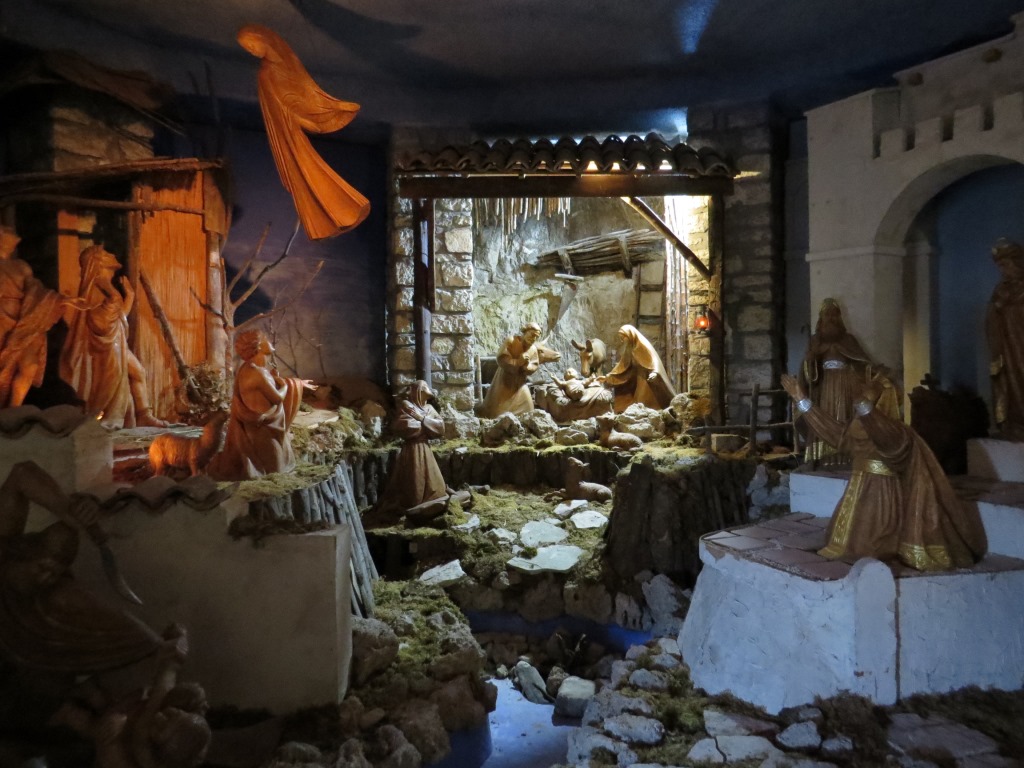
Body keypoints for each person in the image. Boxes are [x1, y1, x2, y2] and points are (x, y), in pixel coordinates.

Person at [781, 373, 987, 571]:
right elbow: (833, 432)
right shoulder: (857, 431)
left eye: (868, 397)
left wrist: (866, 404)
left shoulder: (898, 433)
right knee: (847, 543)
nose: (858, 401)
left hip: (881, 498)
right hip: (858, 493)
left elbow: (881, 431)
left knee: (869, 545)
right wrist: (802, 400)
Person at [237, 24, 370, 241]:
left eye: (252, 45)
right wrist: (299, 120)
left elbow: (302, 96)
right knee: (303, 172)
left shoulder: (284, 67)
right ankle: (325, 220)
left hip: (292, 129)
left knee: (309, 171)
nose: (252, 51)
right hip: (285, 131)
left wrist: (329, 110)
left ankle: (341, 212)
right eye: (248, 49)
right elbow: (276, 107)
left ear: (263, 40)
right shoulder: (265, 73)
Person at [59, 244, 167, 428]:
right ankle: (105, 418)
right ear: (97, 263)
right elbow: (101, 324)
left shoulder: (105, 287)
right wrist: (115, 295)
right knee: (111, 384)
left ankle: (144, 414)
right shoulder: (96, 288)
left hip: (116, 343)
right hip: (106, 348)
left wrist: (129, 296)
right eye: (106, 254)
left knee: (138, 372)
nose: (112, 255)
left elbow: (117, 318)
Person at [207, 329, 315, 480]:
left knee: (279, 462)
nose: (270, 342)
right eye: (265, 338)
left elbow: (264, 388)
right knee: (275, 467)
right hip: (261, 428)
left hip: (267, 425)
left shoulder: (251, 369)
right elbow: (277, 398)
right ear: (257, 346)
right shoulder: (256, 373)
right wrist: (284, 384)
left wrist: (281, 380)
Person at [799, 298, 877, 465]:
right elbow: (809, 373)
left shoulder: (848, 340)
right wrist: (810, 360)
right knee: (825, 417)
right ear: (821, 317)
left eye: (834, 314)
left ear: (839, 317)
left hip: (845, 384)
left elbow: (862, 362)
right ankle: (824, 456)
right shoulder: (816, 340)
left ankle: (845, 456)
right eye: (827, 314)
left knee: (845, 417)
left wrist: (873, 372)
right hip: (825, 385)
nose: (831, 318)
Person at [0, 225, 71, 409]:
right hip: (1, 321)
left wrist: (59, 299)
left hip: (24, 320)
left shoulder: (21, 266)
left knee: (29, 365)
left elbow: (36, 291)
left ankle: (14, 408)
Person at [370, 380, 449, 525]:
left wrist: (421, 419)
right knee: (414, 476)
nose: (427, 392)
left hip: (425, 448)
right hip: (412, 449)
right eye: (424, 389)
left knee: (433, 482)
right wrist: (426, 426)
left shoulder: (429, 408)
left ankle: (431, 501)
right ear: (417, 391)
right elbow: (402, 425)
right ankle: (414, 503)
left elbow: (440, 427)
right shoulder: (407, 406)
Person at [478, 322, 561, 418]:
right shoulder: (511, 341)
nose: (533, 338)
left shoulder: (533, 349)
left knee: (528, 408)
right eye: (532, 335)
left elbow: (534, 364)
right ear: (525, 332)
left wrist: (527, 366)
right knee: (498, 411)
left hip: (520, 383)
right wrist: (518, 362)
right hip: (505, 382)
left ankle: (525, 422)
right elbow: (501, 358)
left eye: (536, 337)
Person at [986, 238, 1024, 442]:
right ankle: (1014, 423)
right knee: (1009, 381)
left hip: (1021, 344)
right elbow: (991, 318)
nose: (1003, 270)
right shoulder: (1001, 289)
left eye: (1006, 265)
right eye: (1000, 266)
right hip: (1008, 348)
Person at [599, 324, 675, 412]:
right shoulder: (630, 349)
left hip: (647, 381)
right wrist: (607, 378)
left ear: (630, 335)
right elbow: (622, 367)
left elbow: (654, 360)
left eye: (623, 337)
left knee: (644, 402)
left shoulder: (643, 346)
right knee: (638, 402)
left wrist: (655, 372)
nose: (622, 340)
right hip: (639, 380)